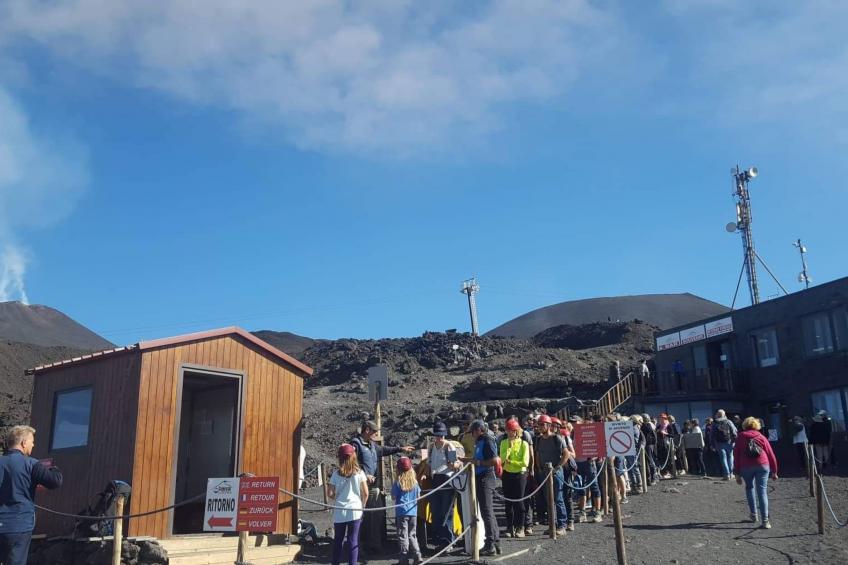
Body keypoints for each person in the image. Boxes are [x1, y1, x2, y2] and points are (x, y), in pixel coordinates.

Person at [0, 426, 63, 565]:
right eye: (32, 441)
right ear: (23, 443)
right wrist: (54, 469)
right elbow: (54, 482)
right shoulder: (31, 464)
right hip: (19, 524)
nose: (33, 444)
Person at [350, 421, 414, 553]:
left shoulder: (372, 445)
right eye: (374, 432)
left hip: (372, 486)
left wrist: (401, 449)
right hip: (360, 487)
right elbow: (352, 463)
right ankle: (360, 545)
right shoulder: (356, 444)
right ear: (367, 430)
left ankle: (373, 544)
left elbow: (384, 450)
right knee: (360, 516)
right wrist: (363, 474)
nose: (376, 435)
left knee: (376, 515)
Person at [460, 420, 500, 556]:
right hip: (480, 477)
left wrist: (478, 462)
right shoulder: (480, 441)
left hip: (486, 478)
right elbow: (477, 458)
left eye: (472, 431)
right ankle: (495, 541)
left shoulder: (487, 440)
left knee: (487, 511)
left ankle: (491, 544)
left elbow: (494, 460)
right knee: (487, 511)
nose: (471, 434)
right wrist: (465, 460)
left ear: (479, 430)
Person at [733, 417, 778, 529]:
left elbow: (736, 456)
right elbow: (770, 454)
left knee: (749, 488)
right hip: (762, 465)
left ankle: (753, 515)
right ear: (756, 425)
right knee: (762, 492)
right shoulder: (761, 436)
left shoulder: (740, 437)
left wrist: (737, 473)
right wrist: (774, 471)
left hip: (746, 467)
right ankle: (765, 521)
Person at [328, 444, 369, 565]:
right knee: (353, 540)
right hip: (355, 510)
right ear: (353, 457)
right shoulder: (360, 473)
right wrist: (363, 507)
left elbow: (330, 493)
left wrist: (337, 498)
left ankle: (335, 563)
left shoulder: (336, 474)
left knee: (338, 540)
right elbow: (366, 493)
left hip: (340, 511)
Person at [423, 422, 462, 549]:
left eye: (441, 435)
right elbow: (429, 463)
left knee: (446, 511)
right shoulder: (431, 447)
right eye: (437, 435)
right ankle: (439, 538)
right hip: (435, 480)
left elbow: (454, 463)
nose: (439, 438)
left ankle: (448, 540)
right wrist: (425, 474)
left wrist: (453, 464)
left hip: (447, 480)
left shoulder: (448, 446)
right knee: (436, 511)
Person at [533, 415, 572, 534]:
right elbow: (538, 454)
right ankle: (552, 525)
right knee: (548, 500)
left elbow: (566, 454)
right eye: (539, 425)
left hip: (555, 472)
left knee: (558, 499)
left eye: (542, 424)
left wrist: (558, 467)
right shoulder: (538, 439)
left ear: (549, 425)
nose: (540, 427)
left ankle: (562, 525)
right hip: (544, 473)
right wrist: (539, 468)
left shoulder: (557, 439)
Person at [499, 419, 530, 538]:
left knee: (519, 502)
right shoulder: (504, 443)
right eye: (507, 430)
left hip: (520, 475)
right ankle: (509, 527)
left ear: (516, 431)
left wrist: (511, 461)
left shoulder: (524, 444)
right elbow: (501, 459)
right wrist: (509, 449)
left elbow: (525, 463)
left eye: (511, 430)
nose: (508, 433)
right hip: (507, 474)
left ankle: (520, 526)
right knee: (508, 502)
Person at [391, 457, 422, 565]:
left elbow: (393, 497)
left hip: (401, 512)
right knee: (412, 534)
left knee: (403, 535)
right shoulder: (415, 482)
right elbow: (418, 496)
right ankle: (417, 555)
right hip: (413, 511)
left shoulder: (398, 482)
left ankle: (404, 558)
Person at [712, 409, 738, 480]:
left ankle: (726, 475)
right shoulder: (728, 421)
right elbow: (734, 431)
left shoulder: (715, 423)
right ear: (724, 414)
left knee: (723, 459)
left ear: (717, 414)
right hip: (729, 442)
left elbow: (712, 435)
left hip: (719, 443)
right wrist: (734, 441)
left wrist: (713, 444)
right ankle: (731, 473)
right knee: (730, 457)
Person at [640, 414, 658, 485]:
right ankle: (649, 478)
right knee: (647, 462)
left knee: (650, 461)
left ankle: (653, 478)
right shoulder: (648, 425)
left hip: (648, 445)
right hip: (648, 445)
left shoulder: (647, 426)